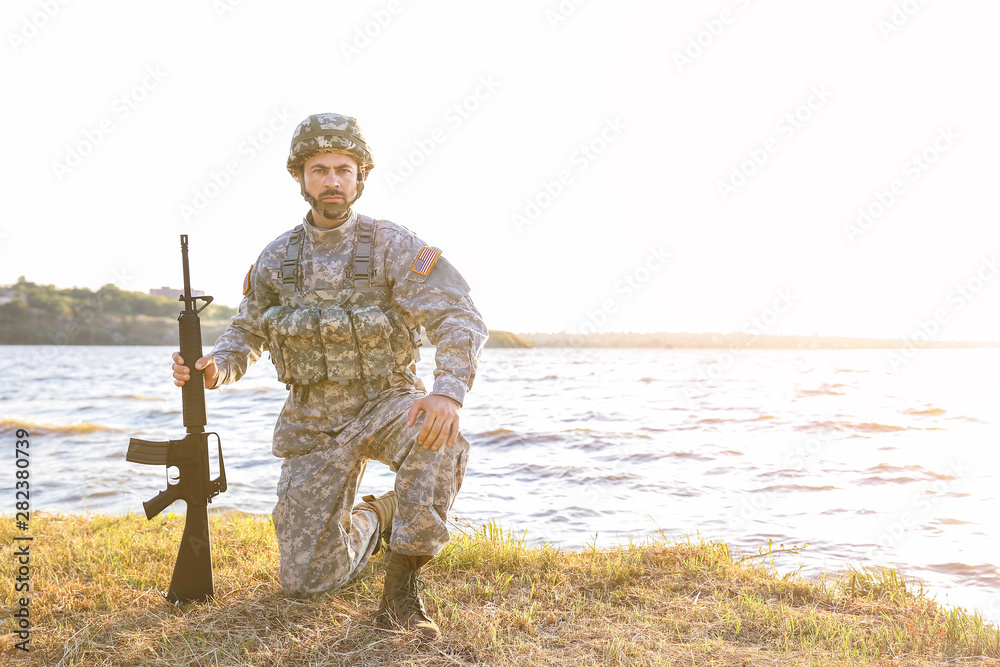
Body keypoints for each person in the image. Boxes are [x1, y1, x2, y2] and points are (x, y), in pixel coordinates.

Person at [171, 112, 488, 641]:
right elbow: (243, 334)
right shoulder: (277, 258)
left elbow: (459, 316)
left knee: (441, 439)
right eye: (320, 169)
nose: (333, 180)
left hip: (389, 404)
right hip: (312, 420)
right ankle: (377, 517)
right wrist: (213, 369)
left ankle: (402, 591)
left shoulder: (394, 245)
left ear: (362, 176)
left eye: (344, 168)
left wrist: (447, 393)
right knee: (307, 582)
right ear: (300, 177)